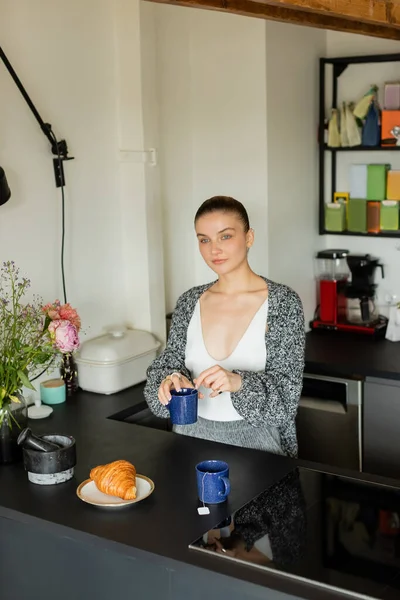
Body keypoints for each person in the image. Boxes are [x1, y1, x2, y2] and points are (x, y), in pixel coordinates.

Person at [144, 196, 305, 457]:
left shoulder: (282, 303)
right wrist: (168, 382)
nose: (213, 249)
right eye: (204, 239)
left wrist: (238, 382)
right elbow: (168, 364)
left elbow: (285, 401)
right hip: (189, 444)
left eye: (225, 236)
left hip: (259, 449)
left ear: (249, 237)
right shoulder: (189, 302)